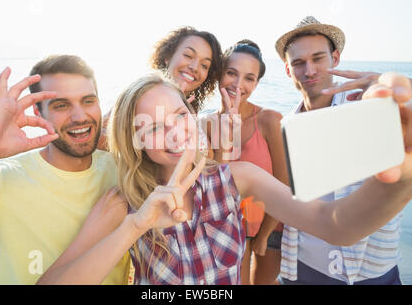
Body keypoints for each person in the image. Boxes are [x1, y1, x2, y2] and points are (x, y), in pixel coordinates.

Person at [36, 72, 412, 285]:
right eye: (152, 127)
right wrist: (135, 226)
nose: (175, 134)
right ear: (135, 142)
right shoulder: (123, 204)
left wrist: (401, 173)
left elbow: (334, 225)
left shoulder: (239, 178)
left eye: (180, 116)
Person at [0, 55, 130, 284]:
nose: (80, 116)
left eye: (88, 101)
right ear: (38, 113)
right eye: (61, 105)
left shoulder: (122, 169)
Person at [275, 16, 412, 285]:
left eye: (318, 58)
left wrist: (400, 98)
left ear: (335, 58)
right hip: (301, 269)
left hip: (370, 272)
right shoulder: (285, 126)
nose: (310, 70)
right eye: (299, 63)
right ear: (289, 71)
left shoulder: (369, 108)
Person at [213, 40, 288, 285]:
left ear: (256, 83)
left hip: (270, 227)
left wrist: (265, 234)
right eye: (231, 73)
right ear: (219, 73)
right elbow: (215, 185)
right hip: (228, 230)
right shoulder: (207, 124)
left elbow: (284, 183)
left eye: (249, 78)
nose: (238, 84)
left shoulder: (268, 119)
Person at [150, 26, 222, 112]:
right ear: (168, 56)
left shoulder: (192, 116)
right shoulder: (142, 99)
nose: (195, 67)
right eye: (188, 56)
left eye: (204, 65)